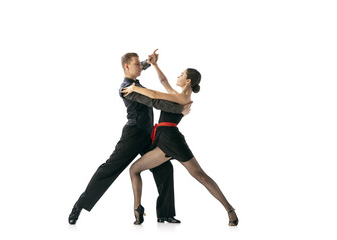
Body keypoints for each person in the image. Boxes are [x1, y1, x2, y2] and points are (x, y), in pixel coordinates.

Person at [68, 51, 192, 225]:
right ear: (127, 66)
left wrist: (149, 63)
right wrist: (180, 110)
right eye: (137, 64)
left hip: (148, 135)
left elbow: (139, 66)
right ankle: (80, 205)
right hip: (134, 134)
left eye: (140, 65)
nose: (140, 66)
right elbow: (154, 102)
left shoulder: (134, 80)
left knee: (165, 168)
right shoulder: (126, 88)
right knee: (110, 168)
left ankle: (165, 213)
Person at [122, 50, 239, 226]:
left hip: (172, 140)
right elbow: (163, 82)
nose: (178, 75)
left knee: (201, 176)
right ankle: (137, 209)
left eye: (182, 74)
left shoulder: (182, 97)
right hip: (163, 140)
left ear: (189, 81)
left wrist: (134, 88)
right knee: (134, 169)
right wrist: (154, 64)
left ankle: (230, 210)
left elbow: (154, 95)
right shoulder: (178, 95)